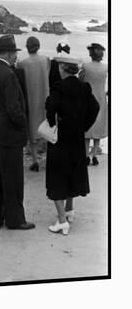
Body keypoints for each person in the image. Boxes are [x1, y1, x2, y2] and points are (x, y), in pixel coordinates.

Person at [0, 34, 35, 231]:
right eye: (14, 54)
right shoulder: (9, 75)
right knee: (12, 179)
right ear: (10, 53)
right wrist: (23, 126)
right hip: (9, 134)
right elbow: (14, 109)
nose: (15, 57)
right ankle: (15, 220)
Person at [45, 54, 99, 235]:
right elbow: (95, 107)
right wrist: (83, 126)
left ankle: (62, 221)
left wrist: (53, 124)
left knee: (57, 177)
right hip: (77, 138)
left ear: (62, 68)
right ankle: (69, 211)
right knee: (72, 174)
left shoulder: (58, 88)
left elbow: (50, 109)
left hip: (61, 139)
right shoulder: (84, 87)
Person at [16, 36, 50, 171]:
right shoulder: (46, 60)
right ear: (39, 46)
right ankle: (48, 159)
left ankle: (35, 160)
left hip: (30, 98)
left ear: (27, 47)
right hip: (44, 97)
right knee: (46, 129)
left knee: (32, 130)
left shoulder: (22, 64)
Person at [82, 43, 108, 166]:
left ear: (91, 53)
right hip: (101, 99)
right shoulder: (106, 67)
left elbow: (81, 80)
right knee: (97, 128)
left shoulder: (85, 66)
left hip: (87, 100)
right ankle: (94, 155)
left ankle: (86, 155)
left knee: (87, 128)